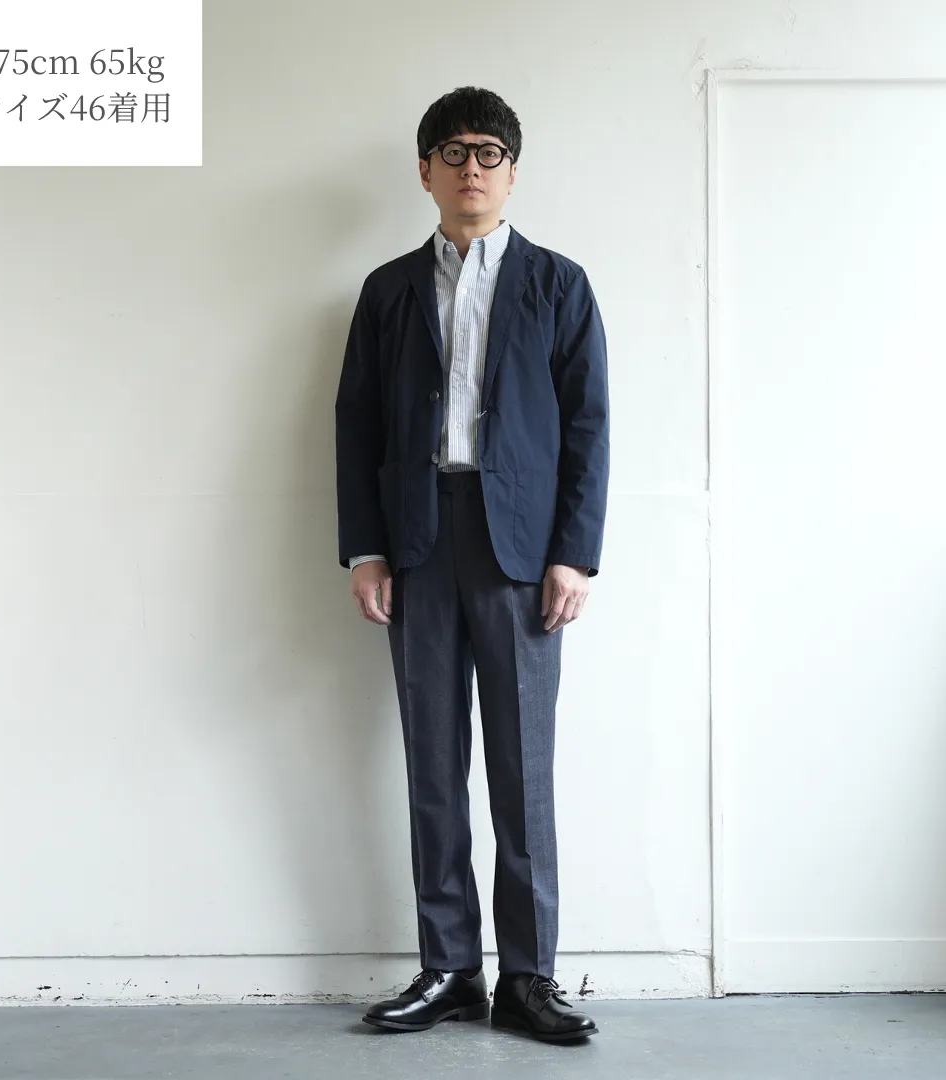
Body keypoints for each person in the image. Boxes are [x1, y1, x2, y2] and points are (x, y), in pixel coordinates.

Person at [334, 86, 610, 1044]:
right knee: (433, 765)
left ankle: (528, 977)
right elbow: (357, 425)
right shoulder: (387, 291)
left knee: (522, 770)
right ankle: (449, 967)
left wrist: (574, 554)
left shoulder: (558, 285)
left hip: (522, 551)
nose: (472, 168)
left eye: (489, 152)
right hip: (417, 542)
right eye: (452, 152)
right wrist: (367, 547)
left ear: (512, 171)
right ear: (424, 171)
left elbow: (589, 426)